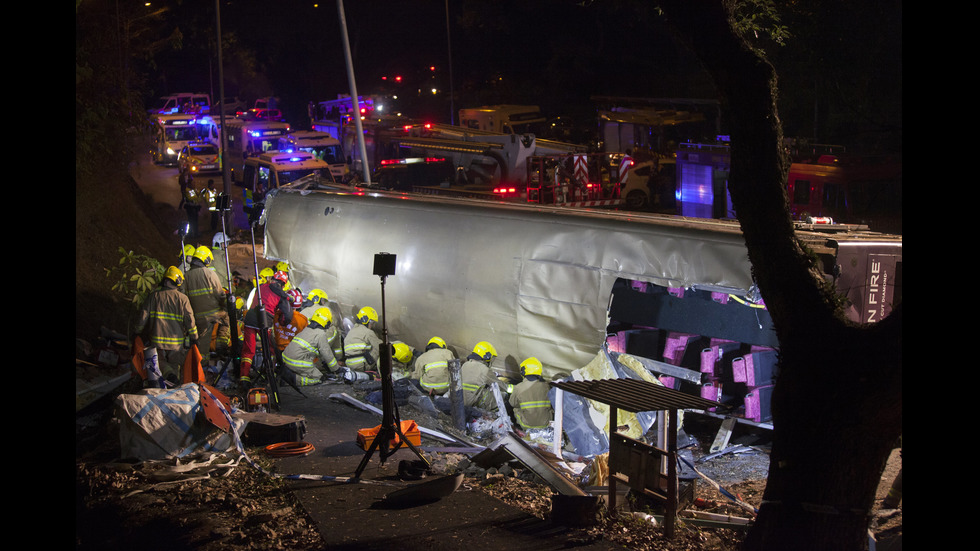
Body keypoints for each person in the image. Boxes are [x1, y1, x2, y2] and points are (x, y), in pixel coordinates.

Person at [134, 266, 198, 384]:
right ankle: (173, 387)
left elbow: (143, 316)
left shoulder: (154, 296)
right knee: (174, 367)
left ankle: (167, 380)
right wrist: (194, 337)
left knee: (159, 365)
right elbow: (190, 320)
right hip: (176, 343)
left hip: (157, 342)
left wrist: (137, 332)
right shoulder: (183, 299)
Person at [240, 270, 293, 390]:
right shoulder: (282, 295)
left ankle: (244, 378)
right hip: (264, 321)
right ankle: (270, 374)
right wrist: (283, 322)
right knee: (270, 349)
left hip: (250, 319)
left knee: (248, 351)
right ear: (284, 284)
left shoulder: (261, 286)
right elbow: (288, 316)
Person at [185, 246, 231, 364]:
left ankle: (199, 364)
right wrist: (226, 305)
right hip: (213, 313)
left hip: (196, 316)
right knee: (227, 318)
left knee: (202, 341)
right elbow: (220, 294)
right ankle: (221, 346)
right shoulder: (209, 273)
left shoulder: (186, 276)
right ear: (205, 260)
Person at [281, 307, 342, 386]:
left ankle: (289, 374)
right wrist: (336, 369)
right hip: (296, 362)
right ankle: (293, 380)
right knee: (318, 379)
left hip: (286, 358)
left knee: (311, 369)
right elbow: (327, 353)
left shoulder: (307, 329)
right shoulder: (320, 334)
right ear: (326, 322)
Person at [508, 357, 554, 431]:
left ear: (523, 371)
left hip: (526, 425)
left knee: (515, 408)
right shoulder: (547, 386)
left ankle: (520, 428)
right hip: (545, 424)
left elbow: (512, 403)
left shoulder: (518, 387)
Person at [460, 341, 504, 410]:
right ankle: (495, 413)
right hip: (472, 403)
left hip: (460, 401)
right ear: (487, 356)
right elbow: (499, 385)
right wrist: (512, 389)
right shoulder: (484, 370)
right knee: (502, 396)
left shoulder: (465, 365)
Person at [300, 289, 343, 359]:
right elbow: (335, 323)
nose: (324, 303)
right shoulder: (326, 310)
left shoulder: (302, 312)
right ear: (317, 299)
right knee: (335, 330)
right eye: (323, 300)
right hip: (320, 345)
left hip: (303, 346)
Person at [342, 306, 383, 373]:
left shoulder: (351, 331)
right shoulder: (368, 332)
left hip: (349, 365)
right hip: (361, 365)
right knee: (379, 349)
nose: (371, 326)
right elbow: (380, 346)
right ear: (366, 321)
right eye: (371, 323)